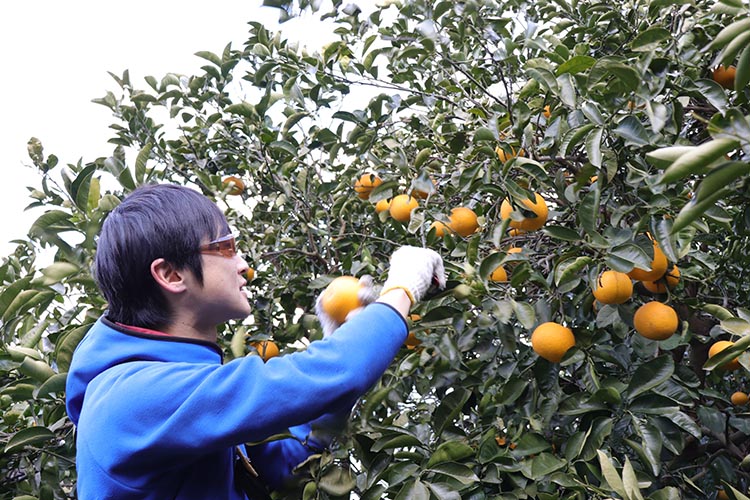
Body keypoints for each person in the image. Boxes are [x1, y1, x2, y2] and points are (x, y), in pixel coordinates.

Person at [65, 183, 445, 500]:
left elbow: (293, 462)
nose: (244, 264)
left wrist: (339, 345)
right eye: (227, 247)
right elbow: (336, 371)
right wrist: (400, 291)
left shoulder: (183, 395)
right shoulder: (131, 400)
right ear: (171, 274)